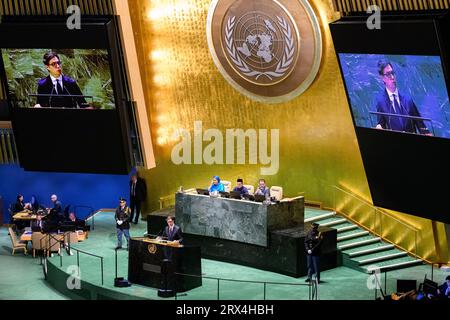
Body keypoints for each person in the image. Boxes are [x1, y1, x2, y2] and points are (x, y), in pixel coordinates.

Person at [374, 61, 432, 135]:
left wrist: (428, 134)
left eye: (393, 73)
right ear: (382, 78)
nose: (392, 77)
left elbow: (421, 126)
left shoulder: (408, 100)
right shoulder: (381, 102)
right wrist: (378, 127)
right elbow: (381, 125)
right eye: (388, 74)